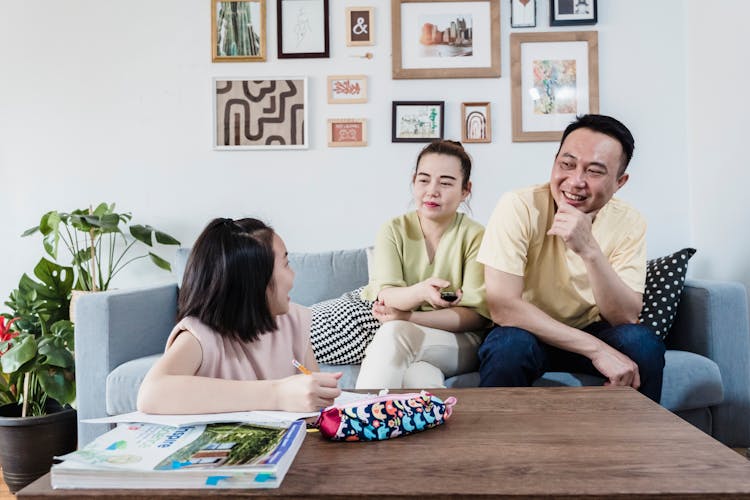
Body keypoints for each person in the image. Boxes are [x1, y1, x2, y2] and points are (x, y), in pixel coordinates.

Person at [476, 114, 665, 402]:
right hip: (528, 328)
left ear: (620, 182)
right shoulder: (519, 206)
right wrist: (597, 350)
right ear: (554, 162)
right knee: (508, 347)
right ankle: (497, 448)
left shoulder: (629, 221)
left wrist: (589, 250)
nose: (575, 181)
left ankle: (634, 444)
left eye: (595, 171)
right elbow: (504, 307)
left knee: (642, 343)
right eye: (567, 164)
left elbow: (624, 317)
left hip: (590, 326)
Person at [137, 217, 342, 414]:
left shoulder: (294, 321)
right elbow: (151, 393)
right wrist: (277, 395)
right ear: (253, 281)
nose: (293, 275)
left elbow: (318, 404)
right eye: (286, 264)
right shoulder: (200, 335)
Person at [355, 140, 491, 390]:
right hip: (414, 342)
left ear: (465, 190)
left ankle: (357, 417)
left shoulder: (476, 236)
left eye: (446, 182)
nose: (432, 191)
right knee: (419, 378)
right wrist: (422, 292)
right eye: (424, 180)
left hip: (463, 342)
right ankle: (433, 420)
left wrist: (408, 316)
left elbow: (475, 317)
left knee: (395, 332)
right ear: (413, 180)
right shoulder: (393, 230)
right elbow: (387, 294)